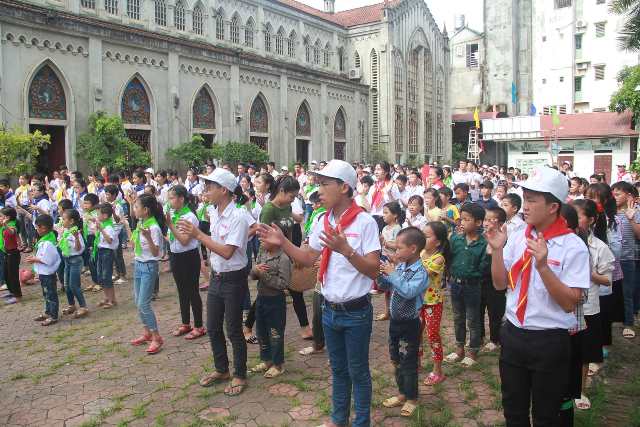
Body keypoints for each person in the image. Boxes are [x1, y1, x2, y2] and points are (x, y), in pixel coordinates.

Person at [258, 159, 380, 427]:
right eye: (318, 184)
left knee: (358, 371)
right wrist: (283, 242)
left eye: (325, 184)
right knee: (337, 370)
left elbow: (373, 271)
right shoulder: (322, 220)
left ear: (344, 188)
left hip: (356, 311)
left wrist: (346, 250)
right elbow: (307, 255)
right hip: (329, 309)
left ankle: (361, 422)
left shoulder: (365, 223)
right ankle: (338, 420)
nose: (318, 190)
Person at [486, 166, 590, 426]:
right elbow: (500, 285)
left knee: (546, 414)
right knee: (513, 409)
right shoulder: (519, 236)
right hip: (514, 333)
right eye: (525, 199)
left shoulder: (572, 246)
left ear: (553, 206)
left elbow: (569, 303)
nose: (526, 207)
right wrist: (498, 252)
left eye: (533, 200)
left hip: (549, 340)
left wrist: (543, 267)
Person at [179, 169, 250, 397]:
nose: (206, 190)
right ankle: (222, 369)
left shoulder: (238, 216)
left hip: (234, 279)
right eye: (205, 185)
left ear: (224, 190)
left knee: (234, 329)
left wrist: (199, 236)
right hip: (217, 278)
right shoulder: (213, 211)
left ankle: (239, 373)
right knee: (212, 327)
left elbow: (228, 251)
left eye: (210, 186)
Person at [378, 227, 428, 418]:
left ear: (413, 249)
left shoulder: (420, 272)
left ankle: (412, 398)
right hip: (395, 323)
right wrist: (381, 273)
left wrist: (393, 274)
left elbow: (408, 291)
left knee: (408, 362)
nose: (395, 251)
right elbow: (387, 286)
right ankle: (401, 393)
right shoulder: (399, 267)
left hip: (409, 325)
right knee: (396, 360)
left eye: (399, 248)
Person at [572, 199, 614, 411]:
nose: (574, 220)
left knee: (583, 354)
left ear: (591, 220)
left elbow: (608, 279)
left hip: (588, 308)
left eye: (579, 215)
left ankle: (580, 391)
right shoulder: (564, 243)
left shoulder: (599, 247)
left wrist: (588, 273)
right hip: (566, 306)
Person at [446, 203, 488, 367]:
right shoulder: (455, 239)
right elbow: (449, 258)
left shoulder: (483, 243)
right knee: (458, 317)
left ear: (478, 223)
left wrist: (472, 275)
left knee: (473, 318)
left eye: (466, 219)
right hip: (455, 284)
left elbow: (484, 267)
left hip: (473, 286)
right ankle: (459, 348)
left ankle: (473, 350)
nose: (462, 222)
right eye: (461, 219)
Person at [249, 223, 292, 379]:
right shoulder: (262, 252)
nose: (261, 239)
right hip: (261, 298)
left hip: (275, 301)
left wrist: (263, 275)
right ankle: (266, 360)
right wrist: (255, 270)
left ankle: (278, 364)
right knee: (261, 332)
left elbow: (283, 284)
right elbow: (253, 273)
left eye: (266, 236)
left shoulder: (283, 258)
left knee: (275, 333)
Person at [166, 185, 206, 340]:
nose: (169, 202)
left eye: (172, 198)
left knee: (192, 291)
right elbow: (172, 238)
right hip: (176, 256)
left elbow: (184, 241)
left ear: (181, 199)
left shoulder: (189, 217)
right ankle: (185, 323)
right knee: (181, 291)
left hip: (188, 257)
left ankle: (199, 326)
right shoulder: (173, 214)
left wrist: (170, 225)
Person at [129, 194, 165, 354]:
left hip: (149, 266)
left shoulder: (154, 228)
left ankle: (157, 337)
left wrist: (149, 238)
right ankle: (147, 332)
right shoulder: (141, 222)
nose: (134, 210)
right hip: (138, 264)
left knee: (144, 303)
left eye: (136, 207)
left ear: (146, 210)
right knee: (138, 301)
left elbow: (157, 253)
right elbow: (133, 243)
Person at [420, 221, 450, 386]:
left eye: (426, 236)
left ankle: (438, 370)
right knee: (415, 332)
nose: (422, 238)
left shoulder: (439, 258)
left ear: (437, 242)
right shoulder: (420, 252)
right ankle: (416, 362)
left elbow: (425, 273)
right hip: (417, 301)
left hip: (432, 303)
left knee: (433, 335)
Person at [610, 181, 640, 338]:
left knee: (627, 292)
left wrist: (631, 218)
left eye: (617, 194)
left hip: (628, 258)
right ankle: (609, 320)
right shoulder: (610, 212)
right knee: (610, 290)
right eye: (613, 194)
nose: (614, 197)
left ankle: (628, 323)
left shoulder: (636, 211)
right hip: (610, 259)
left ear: (629, 195)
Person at [480, 207, 507, 351]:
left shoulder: (503, 240)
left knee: (495, 310)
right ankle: (479, 335)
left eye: (490, 220)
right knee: (479, 307)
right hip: (481, 279)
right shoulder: (481, 237)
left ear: (500, 223)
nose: (486, 223)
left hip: (495, 281)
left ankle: (495, 338)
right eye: (485, 219)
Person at [27, 214, 61, 326]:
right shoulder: (45, 239)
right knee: (46, 294)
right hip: (43, 273)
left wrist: (35, 259)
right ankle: (48, 312)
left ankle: (53, 316)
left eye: (37, 227)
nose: (36, 230)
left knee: (51, 295)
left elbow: (48, 259)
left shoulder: (48, 243)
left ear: (43, 228)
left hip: (48, 274)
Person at [57, 208, 88, 317]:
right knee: (66, 285)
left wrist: (76, 238)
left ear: (71, 221)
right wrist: (60, 235)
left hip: (75, 260)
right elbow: (60, 245)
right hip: (67, 260)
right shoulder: (64, 231)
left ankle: (83, 307)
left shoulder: (76, 233)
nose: (62, 220)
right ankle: (71, 305)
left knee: (74, 285)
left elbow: (79, 249)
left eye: (64, 219)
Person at [376, 201, 403, 321]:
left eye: (386, 213)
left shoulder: (397, 228)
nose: (383, 215)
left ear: (395, 215)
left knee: (393, 288)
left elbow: (398, 245)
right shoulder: (385, 227)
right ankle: (387, 312)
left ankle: (394, 312)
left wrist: (385, 242)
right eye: (383, 213)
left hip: (393, 261)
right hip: (384, 258)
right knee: (387, 289)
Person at [93, 203, 119, 308]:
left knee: (106, 276)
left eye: (98, 214)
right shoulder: (103, 225)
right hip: (100, 251)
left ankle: (112, 300)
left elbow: (109, 240)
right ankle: (107, 297)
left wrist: (101, 229)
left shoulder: (109, 227)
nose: (96, 216)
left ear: (105, 216)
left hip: (107, 252)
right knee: (100, 276)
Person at [0, 207, 21, 304]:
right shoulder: (5, 224)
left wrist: (5, 224)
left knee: (13, 275)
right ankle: (11, 292)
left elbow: (12, 232)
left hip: (13, 253)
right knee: (6, 274)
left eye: (1, 216)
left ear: (7, 217)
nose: (0, 217)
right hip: (6, 252)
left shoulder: (12, 224)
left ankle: (17, 296)